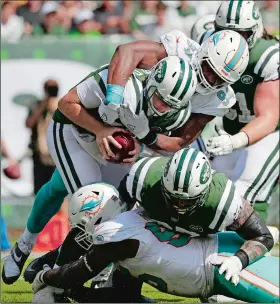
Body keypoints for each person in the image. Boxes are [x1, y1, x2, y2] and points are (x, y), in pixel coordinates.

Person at [2, 56, 197, 285]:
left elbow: (168, 143)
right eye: (161, 99)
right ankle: (35, 255)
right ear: (152, 83)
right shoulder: (121, 85)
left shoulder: (176, 113)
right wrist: (100, 130)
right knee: (94, 206)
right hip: (74, 133)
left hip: (111, 149)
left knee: (106, 203)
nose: (163, 108)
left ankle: (54, 264)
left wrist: (141, 145)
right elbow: (66, 104)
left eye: (171, 105)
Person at [31, 184, 279, 303]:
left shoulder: (118, 240)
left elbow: (72, 273)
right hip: (212, 254)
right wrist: (77, 294)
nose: (83, 234)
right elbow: (124, 298)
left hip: (217, 265)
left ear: (96, 215)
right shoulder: (128, 232)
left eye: (84, 225)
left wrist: (45, 278)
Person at [196, 0, 279, 227]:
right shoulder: (207, 43)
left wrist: (236, 141)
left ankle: (255, 247)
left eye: (241, 33)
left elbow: (269, 118)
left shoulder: (266, 56)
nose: (235, 40)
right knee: (207, 189)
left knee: (246, 190)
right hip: (230, 130)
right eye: (226, 32)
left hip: (266, 134)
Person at [101, 28, 249, 149]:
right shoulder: (181, 48)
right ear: (203, 53)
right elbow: (128, 51)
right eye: (209, 69)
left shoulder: (219, 100)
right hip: (120, 109)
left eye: (219, 79)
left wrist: (144, 137)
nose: (210, 80)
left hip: (149, 136)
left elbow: (181, 141)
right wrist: (113, 99)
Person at [26, 79, 59, 194]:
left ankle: (60, 212)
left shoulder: (62, 105)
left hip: (57, 154)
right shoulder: (37, 105)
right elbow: (29, 124)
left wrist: (55, 108)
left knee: (57, 189)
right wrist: (42, 106)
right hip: (39, 154)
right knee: (40, 188)